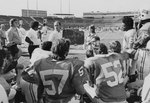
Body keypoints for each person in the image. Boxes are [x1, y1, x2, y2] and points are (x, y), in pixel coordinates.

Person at [22, 38, 88, 103]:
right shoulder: (74, 65)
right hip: (68, 100)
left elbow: (26, 76)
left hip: (49, 100)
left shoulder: (40, 63)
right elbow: (80, 91)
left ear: (52, 50)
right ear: (67, 52)